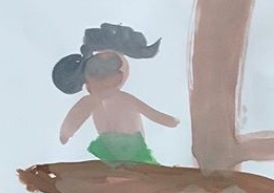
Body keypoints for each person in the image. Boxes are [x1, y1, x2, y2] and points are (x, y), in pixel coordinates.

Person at [52, 23, 179, 164]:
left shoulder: (112, 99)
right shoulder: (99, 100)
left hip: (132, 151)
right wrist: (172, 122)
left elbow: (154, 115)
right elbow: (75, 117)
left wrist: (66, 134)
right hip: (124, 152)